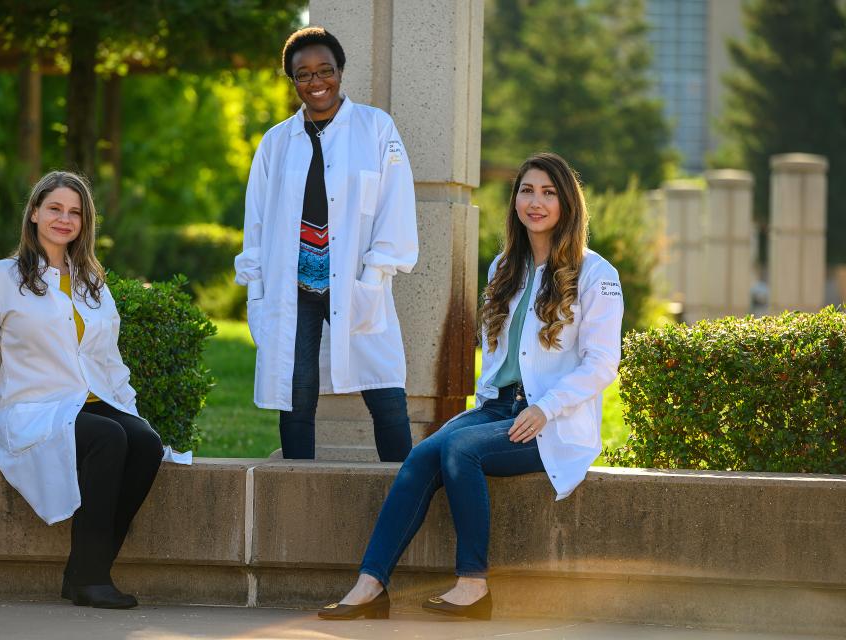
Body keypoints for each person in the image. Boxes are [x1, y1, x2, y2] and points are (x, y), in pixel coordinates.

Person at [318, 152, 624, 620]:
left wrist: (545, 408)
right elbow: (498, 353)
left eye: (548, 193)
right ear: (515, 200)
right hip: (498, 409)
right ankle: (371, 584)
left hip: (550, 420)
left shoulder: (597, 274)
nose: (536, 202)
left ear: (567, 203)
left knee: (461, 450)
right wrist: (484, 406)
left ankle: (473, 584)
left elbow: (602, 364)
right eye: (527, 191)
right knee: (422, 456)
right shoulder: (504, 267)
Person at [0, 171, 163, 610]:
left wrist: (132, 413)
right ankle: (91, 579)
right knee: (108, 439)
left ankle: (82, 571)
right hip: (34, 409)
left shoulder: (92, 282)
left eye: (75, 212)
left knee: (146, 443)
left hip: (91, 402)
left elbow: (109, 362)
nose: (64, 219)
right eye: (55, 208)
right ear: (34, 213)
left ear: (84, 223)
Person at [234, 26, 419, 461]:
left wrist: (374, 275)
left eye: (325, 70)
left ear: (340, 71)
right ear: (292, 80)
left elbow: (395, 203)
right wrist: (257, 289)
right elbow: (256, 221)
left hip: (355, 281)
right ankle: (297, 490)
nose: (316, 82)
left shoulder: (376, 127)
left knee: (385, 391)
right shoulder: (276, 142)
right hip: (293, 286)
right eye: (304, 74)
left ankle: (404, 484)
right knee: (296, 395)